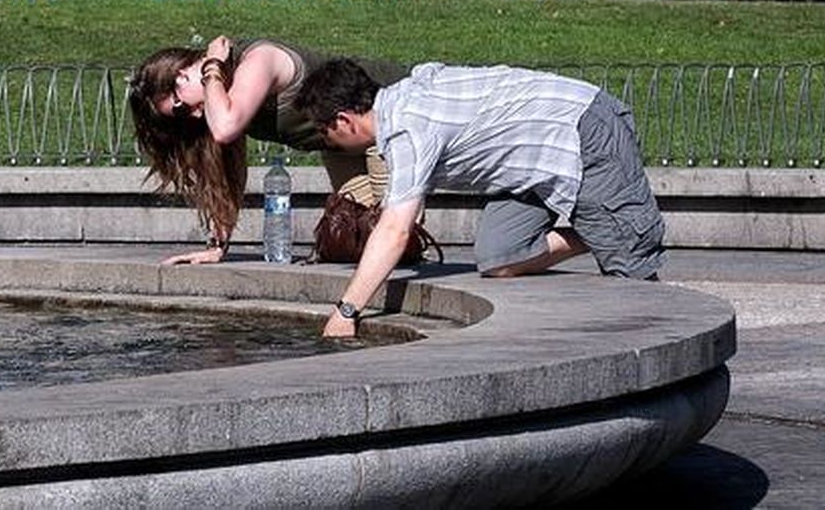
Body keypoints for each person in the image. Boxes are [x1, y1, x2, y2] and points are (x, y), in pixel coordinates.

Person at [294, 60, 665, 338]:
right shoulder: (403, 98)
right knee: (499, 256)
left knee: (634, 286)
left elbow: (395, 232)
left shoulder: (407, 126)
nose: (326, 142)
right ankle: (601, 232)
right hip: (529, 168)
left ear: (344, 121)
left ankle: (619, 237)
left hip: (583, 129)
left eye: (324, 132)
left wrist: (346, 311)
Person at [128, 37, 408, 265]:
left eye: (181, 106)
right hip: (341, 145)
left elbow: (226, 127)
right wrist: (216, 247)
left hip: (386, 121)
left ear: (182, 75)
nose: (191, 116)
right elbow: (225, 175)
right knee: (357, 244)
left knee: (393, 242)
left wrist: (211, 66)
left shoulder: (258, 59)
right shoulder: (220, 101)